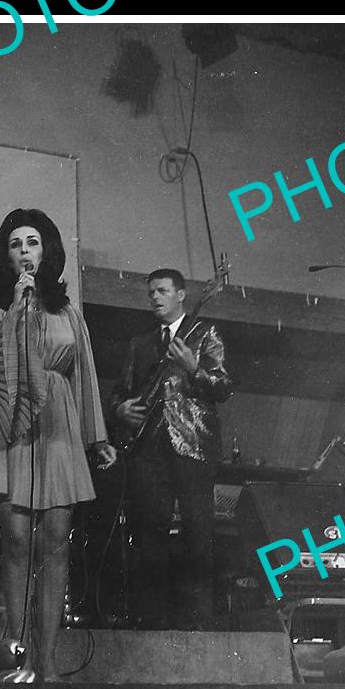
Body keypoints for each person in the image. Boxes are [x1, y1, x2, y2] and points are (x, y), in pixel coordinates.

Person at [0, 209, 116, 682]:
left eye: (32, 242)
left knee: (55, 546)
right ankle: (17, 660)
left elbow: (84, 375)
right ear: (5, 257)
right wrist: (16, 308)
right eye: (15, 244)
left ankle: (48, 663)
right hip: (9, 425)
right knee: (15, 543)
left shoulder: (69, 312)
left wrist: (98, 438)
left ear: (47, 251)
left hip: (58, 426)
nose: (25, 251)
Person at [109, 268, 232, 630]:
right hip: (148, 450)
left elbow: (223, 386)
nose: (156, 298)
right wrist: (119, 409)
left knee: (198, 536)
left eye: (162, 291)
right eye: (151, 293)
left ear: (181, 295)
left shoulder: (205, 334)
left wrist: (194, 369)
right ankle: (151, 623)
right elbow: (118, 392)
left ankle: (199, 624)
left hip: (193, 448)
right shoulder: (140, 344)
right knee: (149, 538)